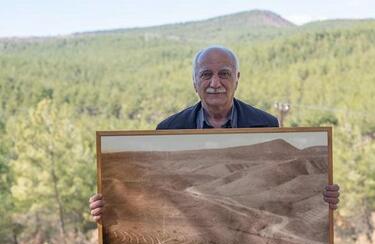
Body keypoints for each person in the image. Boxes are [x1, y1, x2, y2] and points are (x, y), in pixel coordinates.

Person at [89, 45, 340, 222]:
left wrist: (319, 196)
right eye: (206, 74)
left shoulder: (266, 125)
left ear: (237, 79)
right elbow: (156, 199)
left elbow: (283, 198)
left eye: (224, 74)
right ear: (194, 81)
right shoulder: (168, 130)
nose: (215, 83)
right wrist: (113, 208)